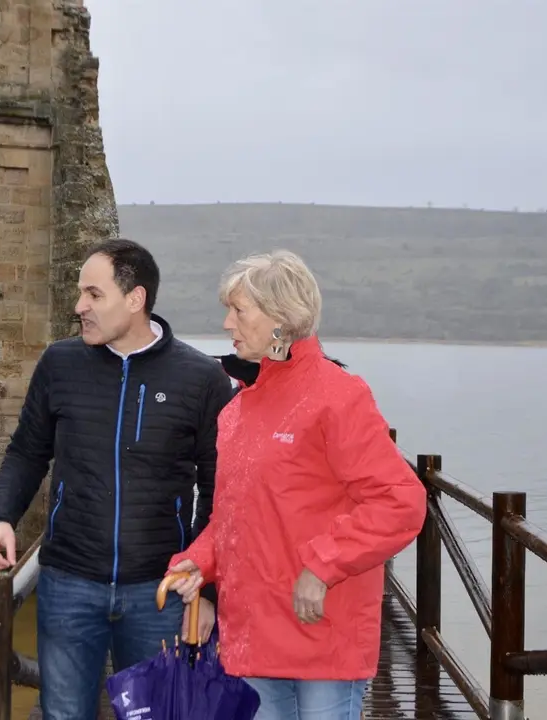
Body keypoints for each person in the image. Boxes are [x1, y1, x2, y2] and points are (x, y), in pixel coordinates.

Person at [164, 249, 427, 720]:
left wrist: (322, 565)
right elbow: (234, 517)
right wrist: (198, 563)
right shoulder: (238, 410)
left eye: (239, 310)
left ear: (281, 321)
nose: (227, 323)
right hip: (255, 630)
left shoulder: (339, 396)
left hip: (322, 627)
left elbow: (401, 502)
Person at [0, 238, 233, 720]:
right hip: (69, 585)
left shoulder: (201, 378)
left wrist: (205, 585)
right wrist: (0, 516)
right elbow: (28, 451)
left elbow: (221, 490)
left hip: (159, 592)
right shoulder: (60, 363)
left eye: (93, 295)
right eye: (81, 294)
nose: (80, 307)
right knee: (64, 715)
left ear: (134, 299)